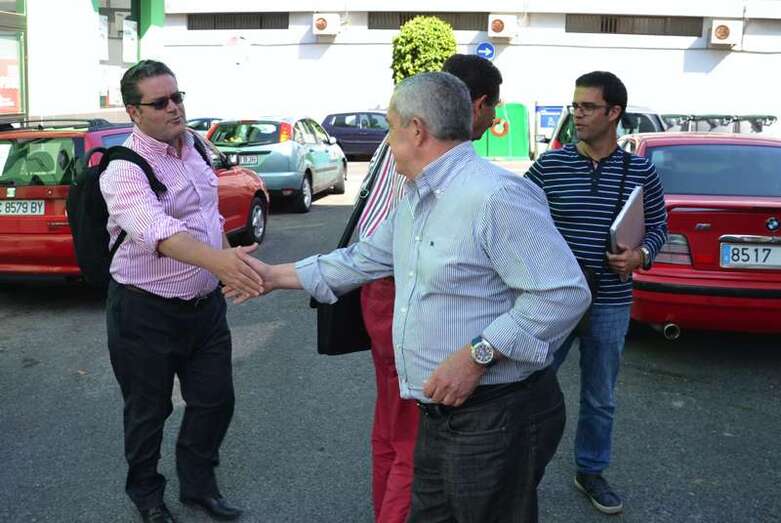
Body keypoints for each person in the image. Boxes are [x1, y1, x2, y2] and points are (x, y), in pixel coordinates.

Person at [227, 71, 591, 522]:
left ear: (416, 130)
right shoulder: (419, 197)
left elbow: (563, 294)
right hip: (439, 413)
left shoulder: (495, 196)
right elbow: (359, 260)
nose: (386, 139)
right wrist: (269, 276)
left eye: (391, 126)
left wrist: (477, 355)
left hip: (496, 416)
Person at [101, 60, 262, 523]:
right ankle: (147, 495)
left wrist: (230, 259)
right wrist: (221, 263)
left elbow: (206, 218)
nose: (174, 108)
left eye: (177, 97)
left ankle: (198, 487)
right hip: (144, 313)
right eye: (160, 102)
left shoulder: (196, 147)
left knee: (215, 400)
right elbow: (160, 232)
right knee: (148, 412)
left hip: (205, 308)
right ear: (134, 112)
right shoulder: (124, 168)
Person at [355, 54, 503, 523]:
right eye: (493, 107)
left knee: (390, 426)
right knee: (414, 441)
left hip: (379, 292)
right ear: (473, 104)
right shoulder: (434, 161)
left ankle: (385, 510)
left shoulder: (401, 141)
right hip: (404, 290)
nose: (492, 118)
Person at [525, 71, 668, 515]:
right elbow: (514, 217)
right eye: (575, 106)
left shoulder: (641, 170)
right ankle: (521, 470)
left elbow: (659, 226)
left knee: (599, 396)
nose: (577, 114)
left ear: (613, 113)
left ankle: (590, 471)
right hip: (554, 301)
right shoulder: (549, 166)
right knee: (531, 387)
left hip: (610, 301)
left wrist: (640, 255)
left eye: (587, 107)